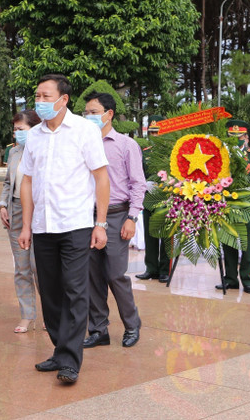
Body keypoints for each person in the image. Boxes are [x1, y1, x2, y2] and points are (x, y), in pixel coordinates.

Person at [17, 74, 109, 385]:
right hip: (43, 226)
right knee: (51, 291)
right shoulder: (35, 137)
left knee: (75, 289)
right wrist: (26, 225)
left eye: (45, 96)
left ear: (63, 99)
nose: (39, 102)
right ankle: (59, 349)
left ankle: (70, 360)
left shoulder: (85, 131)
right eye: (37, 96)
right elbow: (27, 182)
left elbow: (101, 178)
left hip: (75, 225)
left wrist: (101, 223)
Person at [82, 93, 145, 349]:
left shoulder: (125, 144)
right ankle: (98, 330)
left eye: (93, 112)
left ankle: (132, 325)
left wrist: (132, 217)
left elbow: (138, 184)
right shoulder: (83, 142)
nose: (88, 117)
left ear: (108, 114)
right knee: (91, 275)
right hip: (87, 215)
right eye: (86, 112)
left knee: (115, 274)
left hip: (118, 215)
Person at [0, 110, 42, 333]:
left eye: (21, 129)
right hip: (15, 210)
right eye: (15, 129)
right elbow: (8, 182)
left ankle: (49, 315)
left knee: (40, 266)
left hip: (40, 212)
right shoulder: (14, 152)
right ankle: (27, 315)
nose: (17, 134)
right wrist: (3, 204)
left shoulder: (45, 149)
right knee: (22, 267)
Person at [218, 119, 250, 293]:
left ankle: (247, 280)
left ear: (245, 137)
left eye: (239, 135)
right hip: (226, 201)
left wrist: (242, 161)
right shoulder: (222, 155)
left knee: (247, 243)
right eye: (231, 135)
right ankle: (231, 278)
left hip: (246, 203)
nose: (236, 138)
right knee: (229, 241)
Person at [135, 114, 170, 283]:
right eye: (152, 132)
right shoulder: (145, 152)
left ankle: (164, 269)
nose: (155, 136)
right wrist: (145, 184)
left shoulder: (171, 151)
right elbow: (139, 172)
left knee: (165, 234)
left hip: (166, 197)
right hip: (149, 197)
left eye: (158, 132)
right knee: (150, 235)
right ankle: (151, 268)